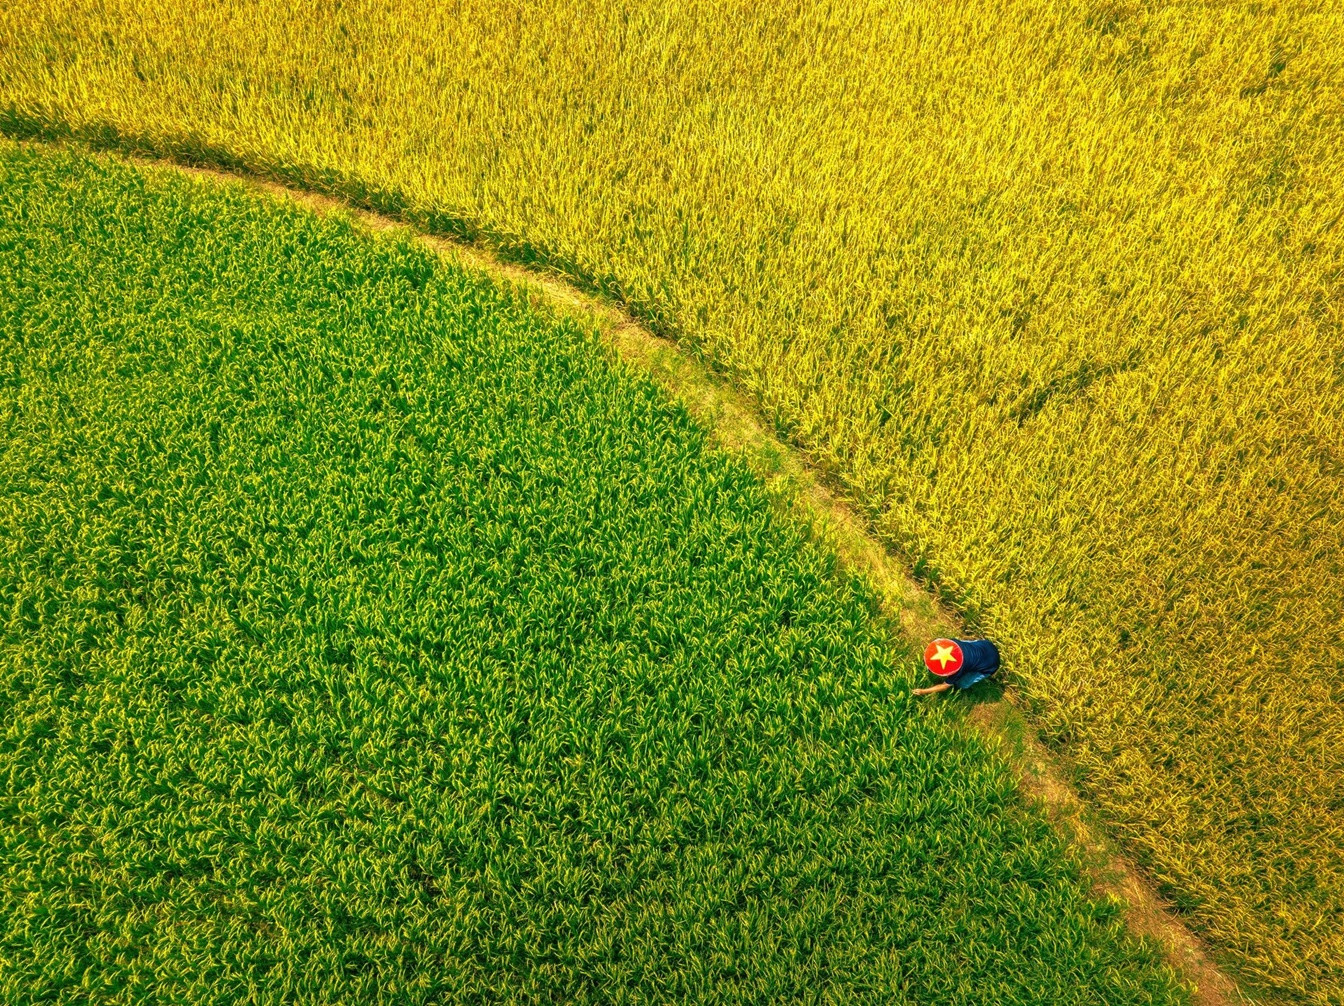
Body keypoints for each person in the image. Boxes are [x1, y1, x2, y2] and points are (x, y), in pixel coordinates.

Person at [912, 637, 1000, 696]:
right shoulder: (951, 643)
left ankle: (959, 688)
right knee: (965, 646)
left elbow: (944, 686)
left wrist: (923, 691)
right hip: (985, 645)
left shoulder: (959, 670)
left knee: (961, 684)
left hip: (990, 664)